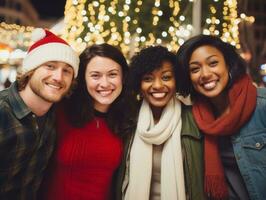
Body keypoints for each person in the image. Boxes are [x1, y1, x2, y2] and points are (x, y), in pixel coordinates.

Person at [175, 34, 266, 200]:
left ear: (228, 65)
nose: (205, 74)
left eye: (213, 63)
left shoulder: (262, 105)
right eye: (195, 69)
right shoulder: (194, 119)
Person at [116, 46, 205, 200]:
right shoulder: (127, 120)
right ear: (139, 84)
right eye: (148, 79)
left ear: (177, 81)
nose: (157, 85)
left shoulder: (195, 119)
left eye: (166, 77)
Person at [42, 43, 130, 200]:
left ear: (123, 77)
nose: (104, 83)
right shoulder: (59, 111)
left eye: (112, 74)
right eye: (95, 75)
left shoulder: (128, 121)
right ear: (83, 78)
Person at [0, 28, 79, 199]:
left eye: (67, 70)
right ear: (31, 70)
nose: (58, 77)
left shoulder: (54, 114)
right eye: (50, 66)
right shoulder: (3, 112)